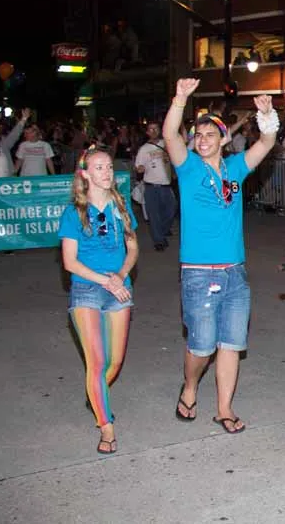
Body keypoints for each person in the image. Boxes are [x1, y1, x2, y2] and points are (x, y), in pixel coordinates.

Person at [164, 78, 278, 434]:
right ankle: (190, 386)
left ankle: (224, 409)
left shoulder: (235, 168)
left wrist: (267, 115)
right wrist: (180, 99)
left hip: (235, 273)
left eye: (210, 134)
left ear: (223, 139)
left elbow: (267, 142)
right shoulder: (188, 168)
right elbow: (169, 135)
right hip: (199, 272)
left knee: (230, 344)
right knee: (201, 347)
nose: (202, 139)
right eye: (198, 135)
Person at [58, 146, 139, 455]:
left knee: (115, 362)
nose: (107, 172)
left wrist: (121, 275)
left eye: (109, 167)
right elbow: (70, 262)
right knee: (97, 362)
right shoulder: (74, 212)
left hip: (120, 288)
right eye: (99, 167)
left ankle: (95, 392)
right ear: (85, 174)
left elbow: (133, 248)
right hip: (87, 290)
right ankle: (107, 427)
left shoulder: (120, 206)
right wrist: (106, 280)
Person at [133, 121, 177, 252]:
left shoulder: (167, 144)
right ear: (147, 132)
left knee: (171, 209)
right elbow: (138, 167)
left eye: (156, 128)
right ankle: (159, 240)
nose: (153, 131)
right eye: (150, 129)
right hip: (151, 186)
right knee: (154, 215)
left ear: (160, 130)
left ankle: (162, 230)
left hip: (166, 185)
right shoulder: (144, 149)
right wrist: (140, 169)